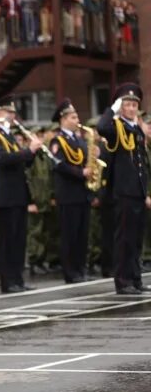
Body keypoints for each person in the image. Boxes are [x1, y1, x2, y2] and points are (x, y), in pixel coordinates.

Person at [96, 83, 151, 295]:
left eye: (134, 104)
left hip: (136, 191)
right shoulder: (116, 127)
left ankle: (135, 278)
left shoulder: (136, 128)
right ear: (121, 107)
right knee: (124, 239)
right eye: (127, 104)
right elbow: (102, 127)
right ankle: (123, 280)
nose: (131, 108)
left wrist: (144, 190)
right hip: (123, 191)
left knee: (136, 239)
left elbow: (141, 162)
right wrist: (112, 108)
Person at [0, 96, 43, 293]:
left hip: (18, 193)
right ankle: (8, 281)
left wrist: (33, 152)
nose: (11, 116)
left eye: (12, 113)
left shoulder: (10, 136)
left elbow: (20, 163)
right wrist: (28, 151)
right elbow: (3, 159)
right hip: (6, 194)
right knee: (8, 239)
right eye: (7, 112)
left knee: (19, 239)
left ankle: (17, 279)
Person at [49, 99, 92, 284]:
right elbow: (59, 165)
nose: (77, 120)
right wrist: (81, 172)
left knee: (82, 234)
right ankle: (70, 271)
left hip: (83, 193)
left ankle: (80, 268)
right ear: (64, 119)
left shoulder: (80, 139)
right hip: (68, 193)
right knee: (70, 234)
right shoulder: (57, 140)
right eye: (74, 117)